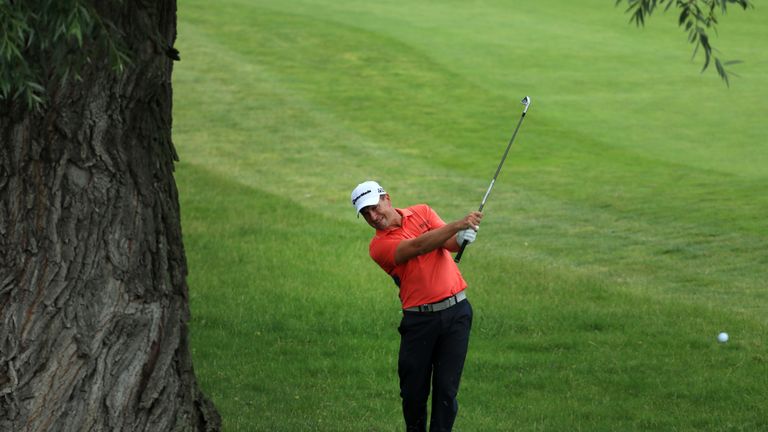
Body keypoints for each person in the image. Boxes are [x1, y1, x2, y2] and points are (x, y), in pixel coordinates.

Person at [351, 180, 483, 432]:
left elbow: (449, 243)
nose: (373, 216)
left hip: (457, 313)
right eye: (366, 214)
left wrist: (462, 237)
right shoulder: (378, 247)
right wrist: (458, 225)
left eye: (374, 207)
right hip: (420, 322)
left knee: (446, 390)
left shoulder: (422, 211)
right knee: (413, 392)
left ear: (386, 198)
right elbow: (418, 246)